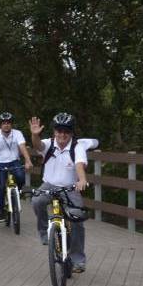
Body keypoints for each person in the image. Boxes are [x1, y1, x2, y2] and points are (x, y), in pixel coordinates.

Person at [28, 113, 99, 273]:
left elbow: (80, 164)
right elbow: (38, 146)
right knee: (36, 201)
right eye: (59, 131)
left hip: (70, 187)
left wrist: (81, 180)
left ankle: (78, 260)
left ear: (71, 133)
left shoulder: (76, 147)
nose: (62, 134)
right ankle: (45, 233)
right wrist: (34, 135)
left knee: (77, 219)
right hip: (49, 184)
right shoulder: (49, 144)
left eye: (66, 131)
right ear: (54, 132)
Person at [0, 112, 33, 222]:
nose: (6, 125)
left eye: (8, 123)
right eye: (4, 123)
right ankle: (0, 212)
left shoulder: (17, 133)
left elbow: (22, 147)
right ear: (0, 125)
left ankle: (16, 194)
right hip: (0, 163)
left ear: (11, 124)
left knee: (21, 177)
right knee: (1, 187)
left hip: (14, 161)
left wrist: (28, 161)